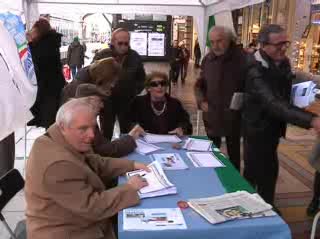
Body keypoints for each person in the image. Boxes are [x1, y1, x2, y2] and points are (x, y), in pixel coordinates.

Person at [25, 99, 149, 239]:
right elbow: (92, 208)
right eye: (83, 129)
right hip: (68, 231)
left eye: (93, 127)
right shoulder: (58, 165)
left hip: (74, 219)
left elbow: (93, 161)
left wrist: (131, 165)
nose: (91, 135)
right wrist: (129, 188)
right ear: (63, 127)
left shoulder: (57, 137)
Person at [242, 24, 320, 206]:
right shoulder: (254, 70)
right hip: (256, 129)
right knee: (258, 171)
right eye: (279, 45)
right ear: (263, 45)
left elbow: (293, 77)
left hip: (272, 128)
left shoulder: (281, 61)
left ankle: (264, 204)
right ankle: (256, 207)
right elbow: (273, 104)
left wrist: (314, 81)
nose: (284, 47)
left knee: (268, 171)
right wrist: (312, 120)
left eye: (286, 43)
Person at [194, 26, 246, 171]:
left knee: (234, 152)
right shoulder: (208, 59)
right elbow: (199, 85)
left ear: (229, 40)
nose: (215, 46)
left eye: (219, 41)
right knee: (213, 151)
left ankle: (235, 183)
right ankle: (214, 176)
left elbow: (252, 87)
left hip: (234, 116)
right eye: (212, 42)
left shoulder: (242, 59)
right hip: (212, 114)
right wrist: (201, 100)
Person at [93, 28, 146, 139]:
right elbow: (92, 76)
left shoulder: (134, 57)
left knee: (127, 133)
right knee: (106, 133)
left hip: (127, 102)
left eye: (126, 43)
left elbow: (141, 79)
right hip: (107, 103)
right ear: (113, 42)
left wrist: (133, 92)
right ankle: (105, 153)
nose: (123, 46)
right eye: (120, 43)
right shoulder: (102, 55)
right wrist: (100, 94)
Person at [75, 83, 144, 157]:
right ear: (91, 100)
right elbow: (106, 150)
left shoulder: (81, 117)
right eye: (100, 101)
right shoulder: (83, 122)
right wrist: (131, 137)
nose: (102, 105)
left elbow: (104, 146)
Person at [27, 18, 65, 129]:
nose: (31, 32)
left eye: (33, 30)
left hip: (49, 89)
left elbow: (36, 60)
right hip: (51, 87)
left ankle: (51, 143)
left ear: (39, 30)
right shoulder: (50, 42)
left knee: (50, 121)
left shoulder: (44, 45)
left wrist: (29, 43)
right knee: (50, 119)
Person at [128, 71, 192, 136]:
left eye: (163, 83)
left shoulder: (175, 104)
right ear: (148, 88)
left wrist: (182, 129)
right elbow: (129, 122)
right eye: (154, 84)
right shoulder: (138, 103)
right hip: (145, 142)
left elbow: (186, 123)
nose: (160, 87)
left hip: (170, 142)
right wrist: (135, 127)